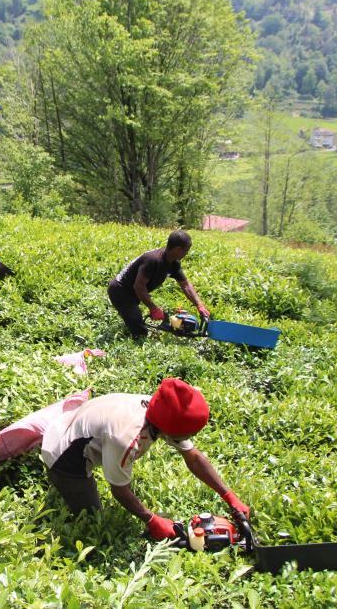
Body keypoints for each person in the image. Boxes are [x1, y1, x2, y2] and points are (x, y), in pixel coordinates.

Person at [40, 378, 250, 539]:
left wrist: (229, 496)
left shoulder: (161, 408)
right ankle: (63, 484)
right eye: (184, 435)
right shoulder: (125, 436)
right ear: (169, 429)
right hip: (62, 455)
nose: (187, 440)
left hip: (75, 426)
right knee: (92, 520)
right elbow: (119, 489)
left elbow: (193, 457)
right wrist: (152, 520)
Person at [108, 230, 210, 339]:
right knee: (140, 332)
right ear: (178, 249)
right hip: (120, 291)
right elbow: (139, 286)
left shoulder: (173, 263)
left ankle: (131, 319)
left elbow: (185, 285)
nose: (187, 253)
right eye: (186, 250)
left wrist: (199, 305)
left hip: (134, 293)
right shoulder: (153, 260)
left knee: (140, 317)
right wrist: (153, 308)